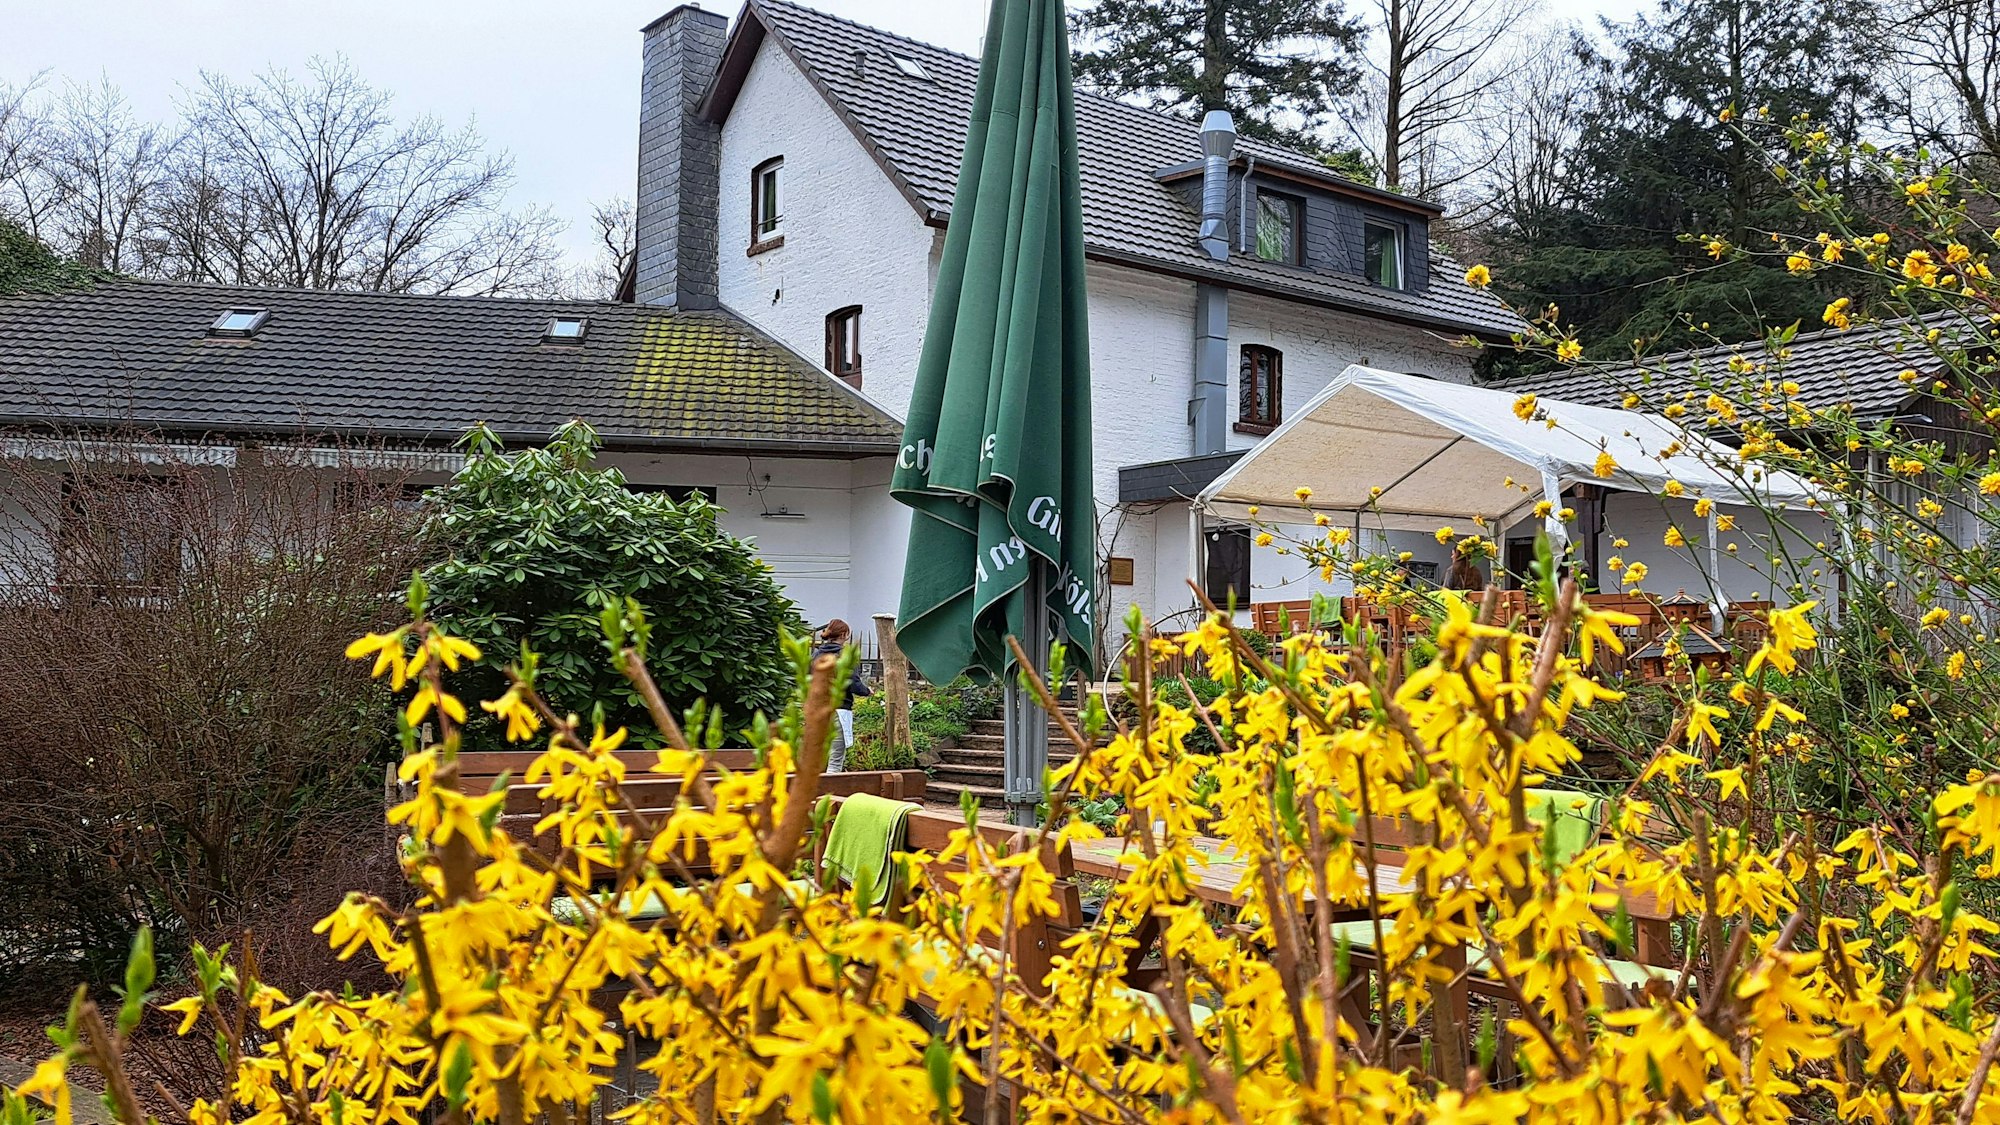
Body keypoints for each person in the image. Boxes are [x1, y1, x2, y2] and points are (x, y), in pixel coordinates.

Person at [811, 619, 873, 772]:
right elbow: (853, 683)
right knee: (835, 758)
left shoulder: (816, 655)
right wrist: (867, 691)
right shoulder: (845, 655)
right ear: (845, 635)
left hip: (818, 710)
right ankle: (830, 793)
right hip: (839, 709)